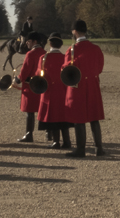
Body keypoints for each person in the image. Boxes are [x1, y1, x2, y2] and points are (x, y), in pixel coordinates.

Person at [65, 19, 107, 158]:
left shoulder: (72, 50)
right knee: (94, 117)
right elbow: (99, 68)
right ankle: (99, 148)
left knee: (79, 118)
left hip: (78, 85)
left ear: (75, 31)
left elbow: (65, 70)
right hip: (93, 85)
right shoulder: (96, 48)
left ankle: (80, 149)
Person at [37, 33, 73, 148]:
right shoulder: (65, 57)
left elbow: (38, 75)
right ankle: (67, 141)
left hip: (50, 91)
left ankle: (56, 141)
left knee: (53, 116)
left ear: (49, 43)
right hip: (64, 90)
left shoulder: (43, 58)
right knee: (64, 116)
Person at [10, 31, 46, 142]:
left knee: (30, 111)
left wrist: (16, 80)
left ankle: (29, 134)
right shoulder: (45, 52)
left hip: (30, 85)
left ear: (35, 41)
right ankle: (49, 133)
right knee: (43, 109)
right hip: (42, 84)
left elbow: (25, 71)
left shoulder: (30, 54)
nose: (27, 44)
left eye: (28, 41)